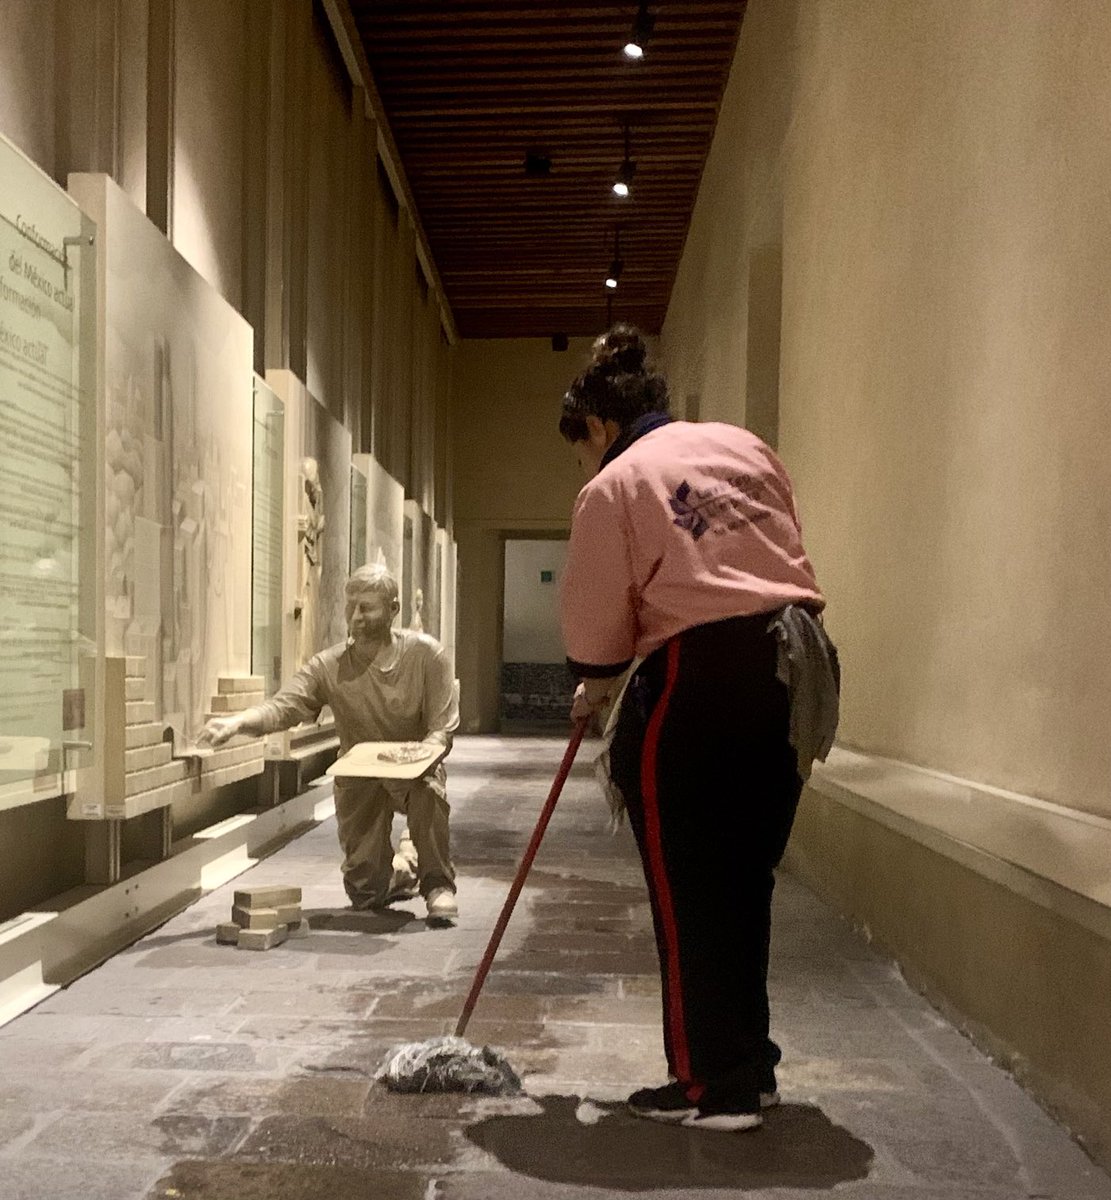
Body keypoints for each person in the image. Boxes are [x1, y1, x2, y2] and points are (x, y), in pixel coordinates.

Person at [557, 325, 838, 1133]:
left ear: (600, 429)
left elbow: (593, 632)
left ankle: (711, 1082)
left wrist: (597, 683)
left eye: (581, 449)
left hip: (698, 681)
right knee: (743, 880)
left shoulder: (616, 483)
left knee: (687, 894)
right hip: (797, 665)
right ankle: (745, 1066)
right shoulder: (745, 447)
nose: (585, 464)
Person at [200, 563, 460, 923]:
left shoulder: (426, 656)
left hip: (414, 768)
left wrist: (419, 756)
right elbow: (284, 706)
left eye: (367, 607)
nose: (356, 617)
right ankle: (406, 864)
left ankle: (436, 883)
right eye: (350, 606)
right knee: (365, 892)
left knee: (428, 792)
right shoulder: (330, 665)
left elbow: (441, 730)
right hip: (359, 774)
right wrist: (238, 722)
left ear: (393, 610)